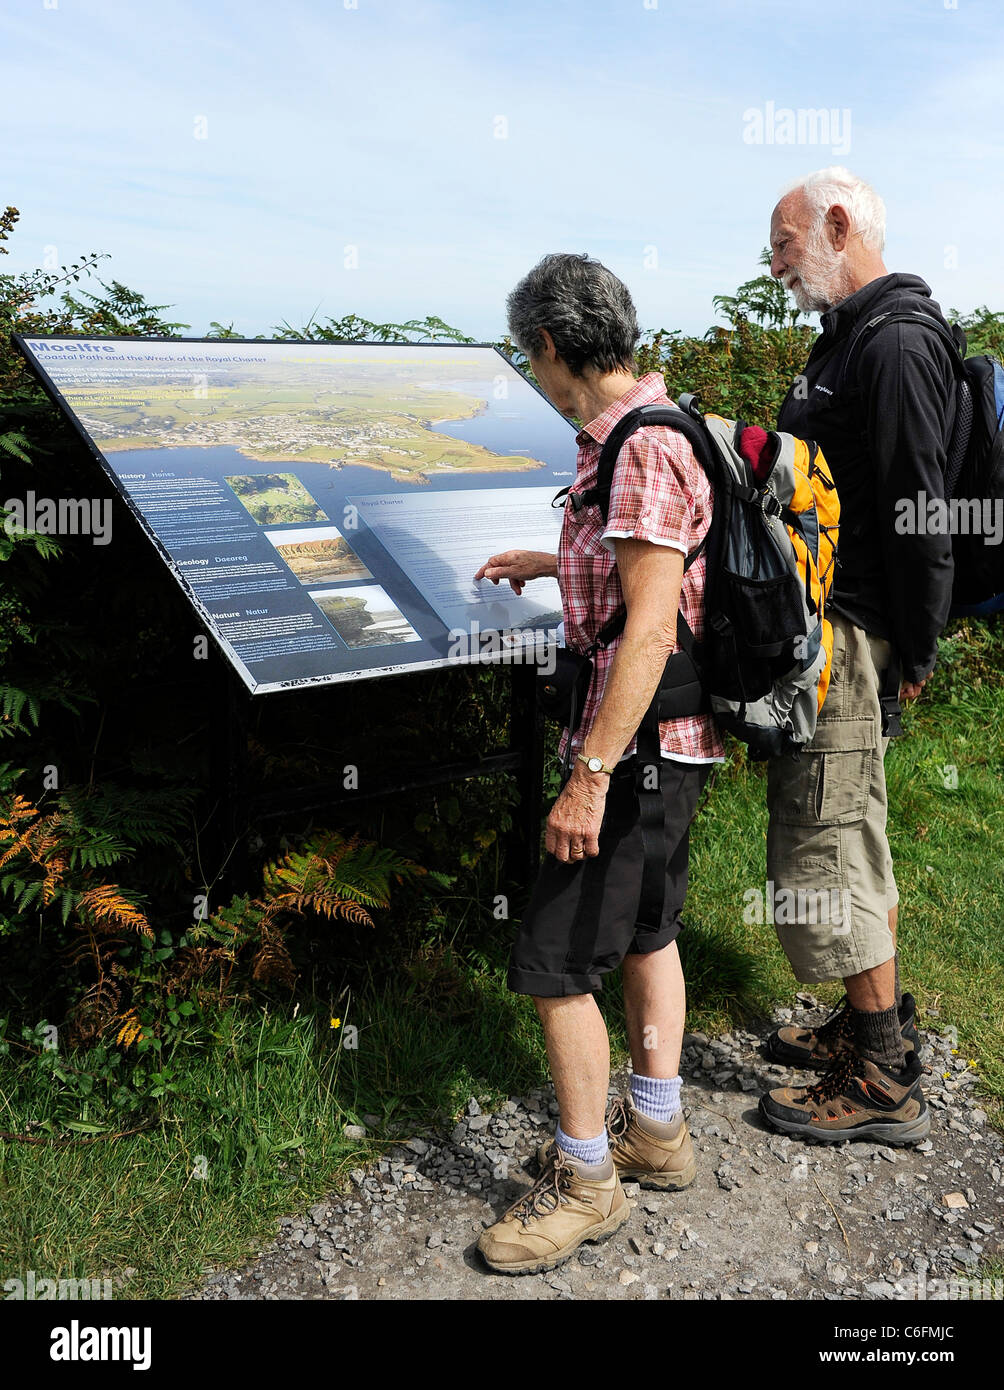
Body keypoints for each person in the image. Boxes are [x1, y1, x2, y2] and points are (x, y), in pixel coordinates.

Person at [471, 252, 724, 1274]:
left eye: (525, 354)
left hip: (635, 746)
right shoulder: (657, 424)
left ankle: (584, 1182)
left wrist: (588, 777)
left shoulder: (635, 448)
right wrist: (551, 559)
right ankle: (653, 1133)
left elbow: (651, 626)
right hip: (675, 743)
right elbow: (645, 570)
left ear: (546, 345)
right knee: (648, 930)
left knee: (551, 960)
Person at [758, 167, 956, 1145]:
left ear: (837, 224)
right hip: (822, 629)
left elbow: (920, 505)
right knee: (844, 820)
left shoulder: (895, 342)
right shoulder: (849, 339)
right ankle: (859, 1021)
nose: (774, 265)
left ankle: (880, 1076)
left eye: (784, 243)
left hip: (850, 631)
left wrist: (916, 643)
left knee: (828, 833)